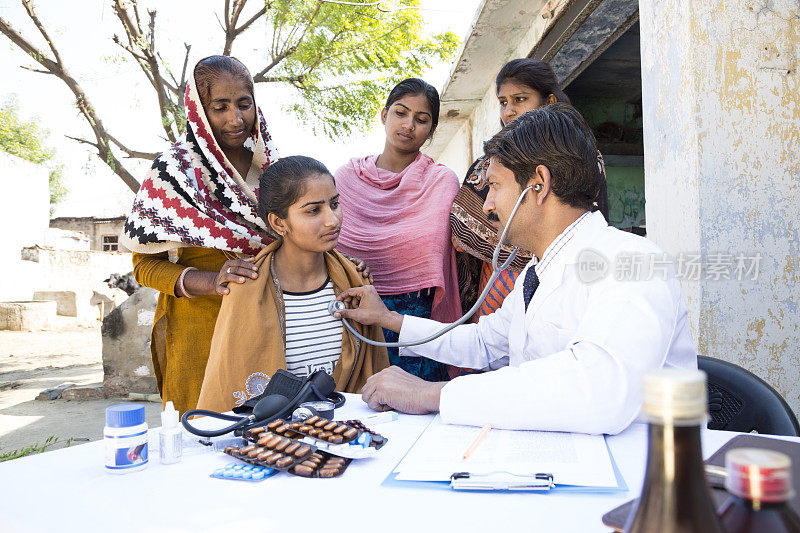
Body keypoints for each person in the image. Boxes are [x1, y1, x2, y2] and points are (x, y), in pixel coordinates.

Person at [334, 104, 697, 435]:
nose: (488, 206)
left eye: (494, 186)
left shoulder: (634, 263)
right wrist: (389, 319)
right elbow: (482, 343)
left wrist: (433, 394)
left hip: (642, 481)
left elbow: (598, 392)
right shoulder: (534, 274)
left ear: (538, 185)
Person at [121, 55, 368, 413]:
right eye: (220, 107)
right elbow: (145, 267)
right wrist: (212, 280)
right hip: (200, 325)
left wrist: (341, 265)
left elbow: (295, 237)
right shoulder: (174, 172)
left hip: (270, 322)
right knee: (206, 429)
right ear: (199, 111)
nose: (235, 119)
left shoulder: (268, 164)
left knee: (274, 427)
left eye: (243, 104)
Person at [196, 156, 389, 413]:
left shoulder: (354, 281)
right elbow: (229, 383)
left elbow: (374, 374)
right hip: (271, 442)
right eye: (313, 210)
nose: (332, 220)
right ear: (278, 223)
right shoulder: (245, 288)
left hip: (346, 432)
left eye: (334, 204)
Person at [451, 59, 609, 327]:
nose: (509, 111)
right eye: (503, 102)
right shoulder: (492, 162)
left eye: (520, 99)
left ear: (548, 102)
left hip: (557, 273)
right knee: (492, 347)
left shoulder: (579, 157)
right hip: (495, 281)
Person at [334, 78, 461, 382]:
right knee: (356, 407)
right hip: (353, 311)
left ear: (431, 130)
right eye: (400, 113)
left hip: (414, 322)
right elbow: (328, 247)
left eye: (421, 119)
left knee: (417, 410)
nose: (408, 125)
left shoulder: (441, 182)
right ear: (384, 115)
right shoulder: (346, 178)